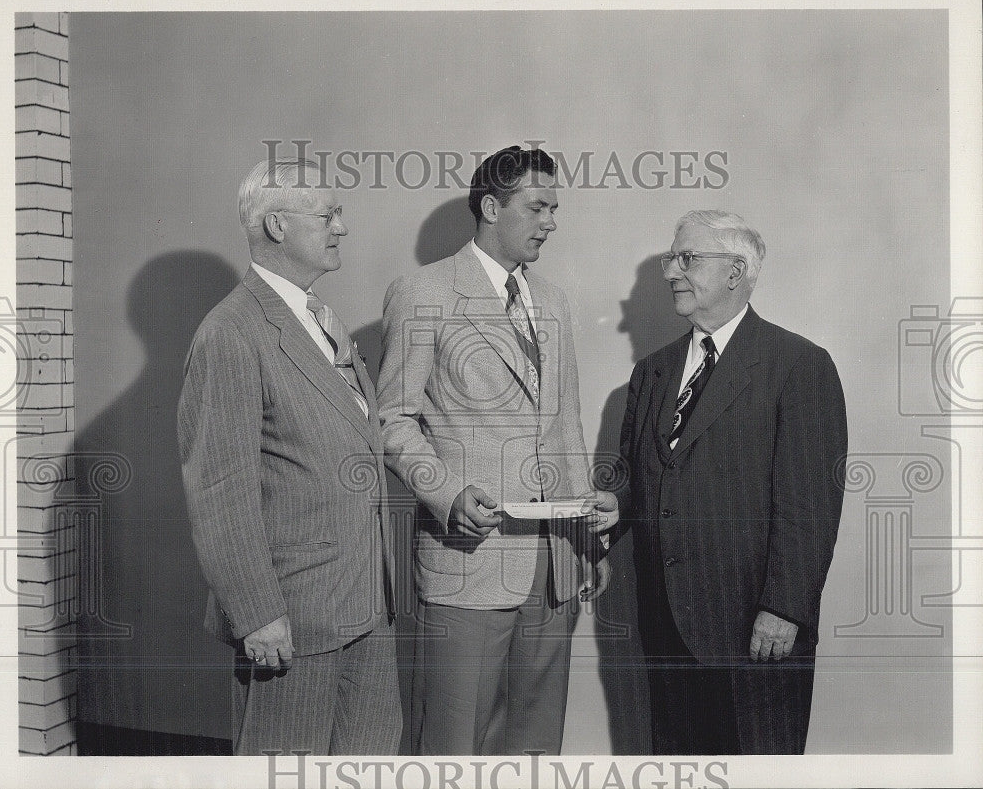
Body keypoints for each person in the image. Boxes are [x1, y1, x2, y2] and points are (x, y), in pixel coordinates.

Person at [377, 145, 618, 756]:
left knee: (536, 741)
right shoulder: (422, 292)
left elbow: (563, 429)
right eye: (538, 207)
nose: (551, 222)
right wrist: (446, 492)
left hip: (554, 564)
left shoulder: (555, 303)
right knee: (455, 745)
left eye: (554, 208)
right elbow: (392, 421)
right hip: (469, 561)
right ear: (491, 206)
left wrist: (586, 543)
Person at [177, 158, 401, 755]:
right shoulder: (230, 332)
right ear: (277, 226)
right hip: (293, 618)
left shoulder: (317, 319)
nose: (341, 228)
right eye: (328, 214)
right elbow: (221, 488)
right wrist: (256, 614)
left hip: (365, 607)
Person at [619, 210, 847, 754]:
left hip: (757, 629)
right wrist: (615, 507)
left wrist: (784, 609)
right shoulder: (652, 371)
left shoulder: (799, 364)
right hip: (668, 629)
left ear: (736, 271)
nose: (671, 271)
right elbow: (644, 480)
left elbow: (810, 504)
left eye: (686, 258)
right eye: (672, 259)